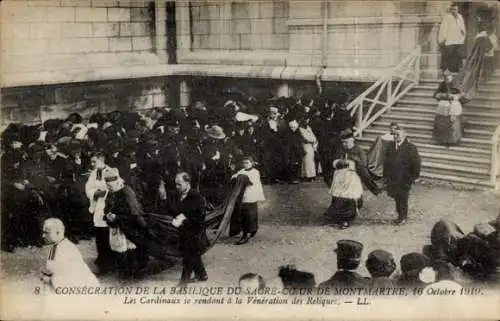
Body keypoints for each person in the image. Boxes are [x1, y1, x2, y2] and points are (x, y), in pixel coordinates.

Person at [103, 168, 149, 279]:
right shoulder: (111, 192)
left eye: (111, 185)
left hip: (129, 227)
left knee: (129, 250)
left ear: (117, 181)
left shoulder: (126, 191)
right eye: (107, 185)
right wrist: (107, 215)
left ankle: (132, 274)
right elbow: (107, 208)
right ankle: (124, 274)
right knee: (119, 251)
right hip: (118, 226)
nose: (109, 187)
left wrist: (117, 217)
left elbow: (134, 213)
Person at [40, 218, 99, 292]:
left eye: (46, 233)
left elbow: (70, 280)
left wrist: (49, 279)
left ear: (58, 232)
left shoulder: (67, 249)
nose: (43, 236)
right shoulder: (57, 246)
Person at [171, 172, 209, 285]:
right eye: (176, 184)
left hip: (195, 232)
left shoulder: (197, 197)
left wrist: (183, 219)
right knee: (194, 253)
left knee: (189, 254)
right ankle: (202, 275)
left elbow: (199, 219)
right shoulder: (177, 195)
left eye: (179, 184)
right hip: (183, 231)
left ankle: (184, 281)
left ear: (187, 183)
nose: (177, 187)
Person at [325, 130, 368, 229]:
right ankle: (336, 216)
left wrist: (353, 162)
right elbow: (333, 160)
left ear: (352, 140)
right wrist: (337, 162)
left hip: (352, 179)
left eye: (347, 142)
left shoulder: (359, 150)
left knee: (349, 199)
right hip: (340, 178)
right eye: (343, 142)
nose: (344, 144)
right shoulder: (340, 149)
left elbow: (364, 164)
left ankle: (346, 219)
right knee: (338, 197)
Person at [383, 128, 421, 226]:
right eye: (394, 135)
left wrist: (415, 176)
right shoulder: (390, 146)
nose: (396, 137)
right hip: (393, 178)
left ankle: (403, 217)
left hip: (405, 178)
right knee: (396, 196)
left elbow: (416, 163)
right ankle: (399, 215)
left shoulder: (411, 147)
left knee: (403, 197)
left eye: (398, 135)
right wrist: (385, 175)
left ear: (404, 136)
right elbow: (386, 162)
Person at [84, 152, 114, 275]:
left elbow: (115, 186)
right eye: (91, 161)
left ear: (102, 160)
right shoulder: (93, 173)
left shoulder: (111, 171)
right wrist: (95, 193)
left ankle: (108, 261)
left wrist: (105, 193)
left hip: (108, 206)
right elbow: (88, 188)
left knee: (107, 234)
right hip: (98, 205)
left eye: (94, 161)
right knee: (99, 234)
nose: (92, 164)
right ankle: (102, 260)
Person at [229, 156, 265, 245]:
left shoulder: (255, 172)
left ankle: (247, 233)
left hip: (251, 195)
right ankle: (248, 231)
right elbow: (234, 177)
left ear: (252, 163)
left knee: (250, 214)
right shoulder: (242, 171)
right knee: (245, 215)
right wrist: (235, 178)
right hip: (243, 196)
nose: (246, 165)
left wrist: (242, 178)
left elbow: (251, 181)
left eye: (247, 163)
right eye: (244, 163)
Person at [454, 23, 494, 101]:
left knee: (471, 74)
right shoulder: (485, 37)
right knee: (476, 74)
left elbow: (473, 50)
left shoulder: (477, 37)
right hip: (482, 58)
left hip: (475, 58)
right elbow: (490, 46)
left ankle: (465, 92)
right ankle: (469, 92)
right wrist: (485, 51)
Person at [433, 72, 465, 146]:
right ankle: (442, 140)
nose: (448, 78)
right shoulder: (442, 85)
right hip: (443, 108)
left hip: (453, 107)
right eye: (446, 77)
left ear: (452, 77)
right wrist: (443, 95)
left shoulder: (456, 84)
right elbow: (435, 94)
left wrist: (457, 96)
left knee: (453, 123)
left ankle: (453, 140)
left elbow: (462, 94)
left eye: (449, 76)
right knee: (442, 123)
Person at [438, 2, 466, 75]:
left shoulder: (460, 16)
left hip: (458, 40)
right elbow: (443, 28)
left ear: (458, 9)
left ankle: (455, 71)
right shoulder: (447, 17)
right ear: (450, 10)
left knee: (457, 55)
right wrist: (442, 38)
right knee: (449, 55)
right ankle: (448, 71)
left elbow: (462, 27)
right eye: (453, 9)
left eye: (456, 9)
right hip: (449, 40)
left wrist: (463, 34)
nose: (454, 11)